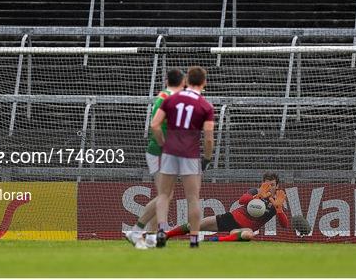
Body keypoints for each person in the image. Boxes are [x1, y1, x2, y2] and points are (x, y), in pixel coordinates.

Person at [151, 66, 214, 248]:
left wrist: (163, 145)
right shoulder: (205, 105)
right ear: (204, 82)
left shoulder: (171, 99)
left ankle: (161, 230)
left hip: (170, 152)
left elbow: (155, 124)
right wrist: (207, 159)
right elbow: (209, 138)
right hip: (191, 155)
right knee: (193, 198)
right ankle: (194, 239)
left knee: (163, 195)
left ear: (186, 81)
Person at [124, 69, 185, 249]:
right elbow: (155, 125)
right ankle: (136, 231)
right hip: (159, 152)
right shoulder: (166, 97)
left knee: (164, 195)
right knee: (165, 195)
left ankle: (150, 237)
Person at [166, 172, 289, 242]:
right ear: (262, 183)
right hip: (230, 218)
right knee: (194, 225)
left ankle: (215, 240)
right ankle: (166, 235)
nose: (270, 187)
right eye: (267, 183)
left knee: (248, 235)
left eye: (272, 184)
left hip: (246, 228)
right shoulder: (254, 191)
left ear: (277, 186)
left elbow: (285, 225)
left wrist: (279, 209)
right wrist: (258, 196)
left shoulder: (276, 202)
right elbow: (242, 200)